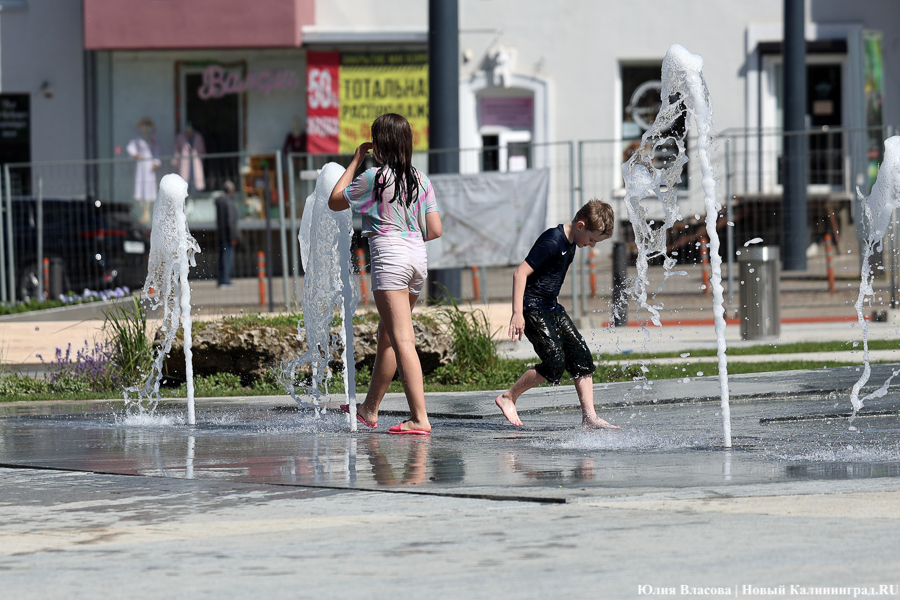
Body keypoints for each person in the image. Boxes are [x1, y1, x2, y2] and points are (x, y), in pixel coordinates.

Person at [329, 113, 442, 435]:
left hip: (390, 258)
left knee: (402, 338)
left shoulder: (374, 178)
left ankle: (419, 418)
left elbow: (334, 201)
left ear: (378, 146)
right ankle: (369, 409)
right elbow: (434, 229)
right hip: (417, 258)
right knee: (389, 335)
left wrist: (354, 160)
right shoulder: (421, 179)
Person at [495, 199, 621, 430]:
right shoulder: (553, 241)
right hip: (532, 308)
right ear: (581, 225)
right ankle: (508, 397)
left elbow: (549, 276)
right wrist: (517, 313)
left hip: (551, 306)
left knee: (581, 357)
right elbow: (519, 274)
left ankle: (589, 418)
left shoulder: (573, 240)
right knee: (554, 364)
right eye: (592, 240)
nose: (592, 245)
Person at [126, 116, 160, 222]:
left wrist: (156, 162)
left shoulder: (153, 139)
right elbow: (130, 147)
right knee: (142, 188)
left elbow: (157, 152)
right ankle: (143, 211)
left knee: (149, 188)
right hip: (141, 166)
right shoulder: (137, 138)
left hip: (149, 165)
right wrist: (136, 154)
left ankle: (149, 211)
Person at [215, 181, 240, 288]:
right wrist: (233, 236)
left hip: (221, 234)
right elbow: (230, 221)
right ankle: (226, 280)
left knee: (222, 257)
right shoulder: (228, 202)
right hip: (228, 235)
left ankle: (222, 280)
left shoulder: (220, 201)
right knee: (227, 258)